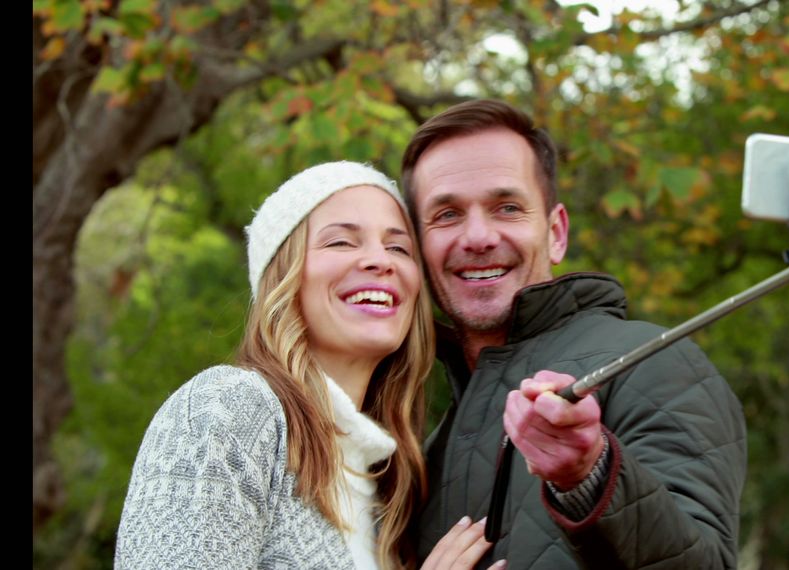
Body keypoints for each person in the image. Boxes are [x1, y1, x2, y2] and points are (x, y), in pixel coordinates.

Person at [401, 100, 748, 569]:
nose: (478, 236)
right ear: (419, 248)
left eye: (506, 208)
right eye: (446, 215)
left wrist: (589, 476)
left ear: (556, 233)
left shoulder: (655, 364)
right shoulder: (425, 448)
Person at [115, 162, 498, 569]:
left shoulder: (388, 485)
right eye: (341, 243)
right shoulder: (225, 410)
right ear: (285, 275)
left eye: (399, 248)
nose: (379, 260)